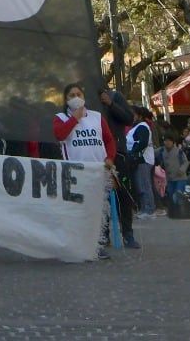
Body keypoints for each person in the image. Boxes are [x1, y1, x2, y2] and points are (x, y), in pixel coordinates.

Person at [55, 83, 116, 260]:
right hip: (74, 172)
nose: (76, 97)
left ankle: (96, 246)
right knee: (75, 211)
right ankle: (74, 246)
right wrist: (75, 118)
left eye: (78, 94)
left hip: (97, 171)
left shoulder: (97, 117)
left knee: (96, 211)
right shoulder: (60, 117)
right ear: (66, 100)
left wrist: (110, 157)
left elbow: (109, 140)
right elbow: (60, 134)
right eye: (71, 95)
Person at [97, 85, 140, 250]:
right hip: (97, 155)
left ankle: (128, 234)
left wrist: (111, 104)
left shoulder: (114, 96)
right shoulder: (85, 99)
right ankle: (103, 234)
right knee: (102, 196)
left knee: (124, 194)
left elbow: (129, 118)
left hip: (119, 154)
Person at [127, 106, 156, 218]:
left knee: (144, 185)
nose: (131, 116)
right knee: (141, 185)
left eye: (133, 114)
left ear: (139, 115)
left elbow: (143, 142)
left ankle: (149, 210)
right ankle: (144, 208)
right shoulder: (135, 127)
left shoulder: (143, 127)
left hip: (143, 160)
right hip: (138, 160)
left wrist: (133, 151)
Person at [159, 133, 190, 203]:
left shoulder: (179, 151)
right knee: (171, 196)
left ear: (173, 142)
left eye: (169, 141)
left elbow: (185, 162)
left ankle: (179, 211)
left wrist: (181, 170)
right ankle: (175, 211)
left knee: (178, 196)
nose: (167, 142)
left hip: (180, 178)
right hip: (169, 179)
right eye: (165, 141)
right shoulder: (162, 151)